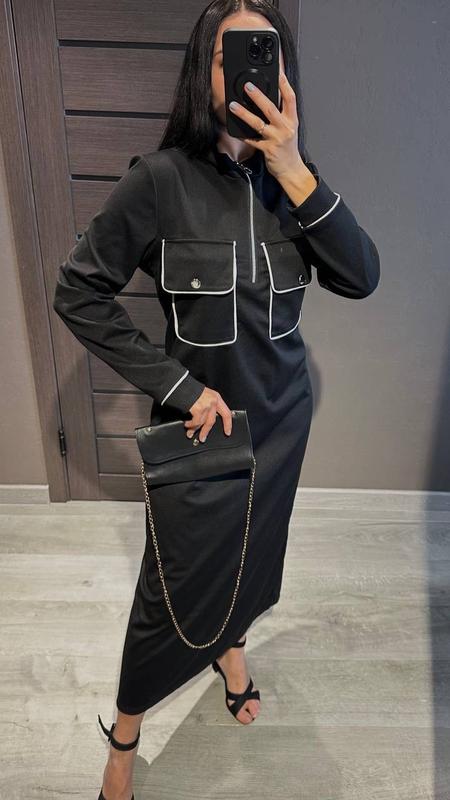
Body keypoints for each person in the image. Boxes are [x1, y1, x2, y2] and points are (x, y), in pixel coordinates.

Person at [52, 2, 380, 799]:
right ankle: (125, 735)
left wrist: (293, 166)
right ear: (206, 72)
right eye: (231, 55)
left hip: (282, 426)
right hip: (200, 434)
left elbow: (361, 276)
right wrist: (180, 387)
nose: (249, 71)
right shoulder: (160, 181)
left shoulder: (292, 184)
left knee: (254, 564)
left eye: (266, 55)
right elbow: (79, 293)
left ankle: (231, 653)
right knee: (167, 594)